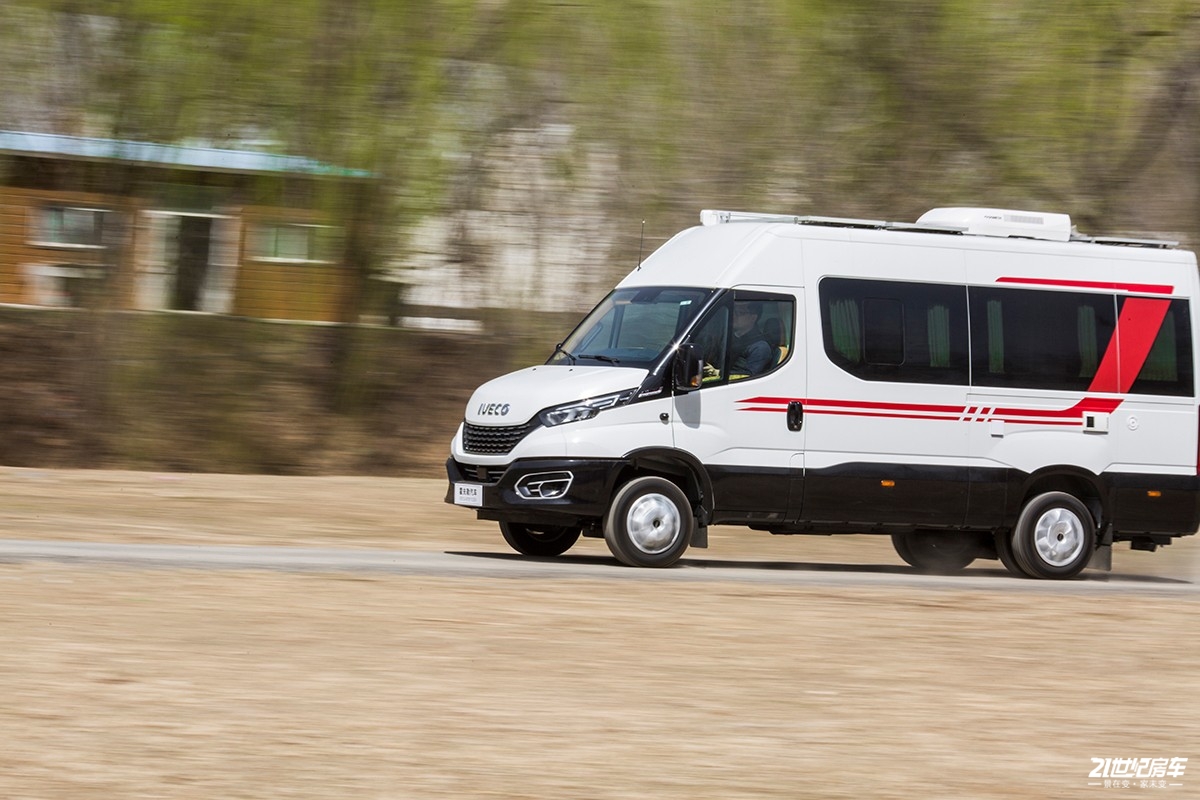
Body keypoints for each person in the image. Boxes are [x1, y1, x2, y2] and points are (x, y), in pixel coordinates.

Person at [729, 301, 772, 378]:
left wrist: (720, 373)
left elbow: (748, 377)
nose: (733, 316)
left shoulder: (760, 347)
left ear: (753, 318)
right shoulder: (732, 338)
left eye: (739, 313)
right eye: (733, 312)